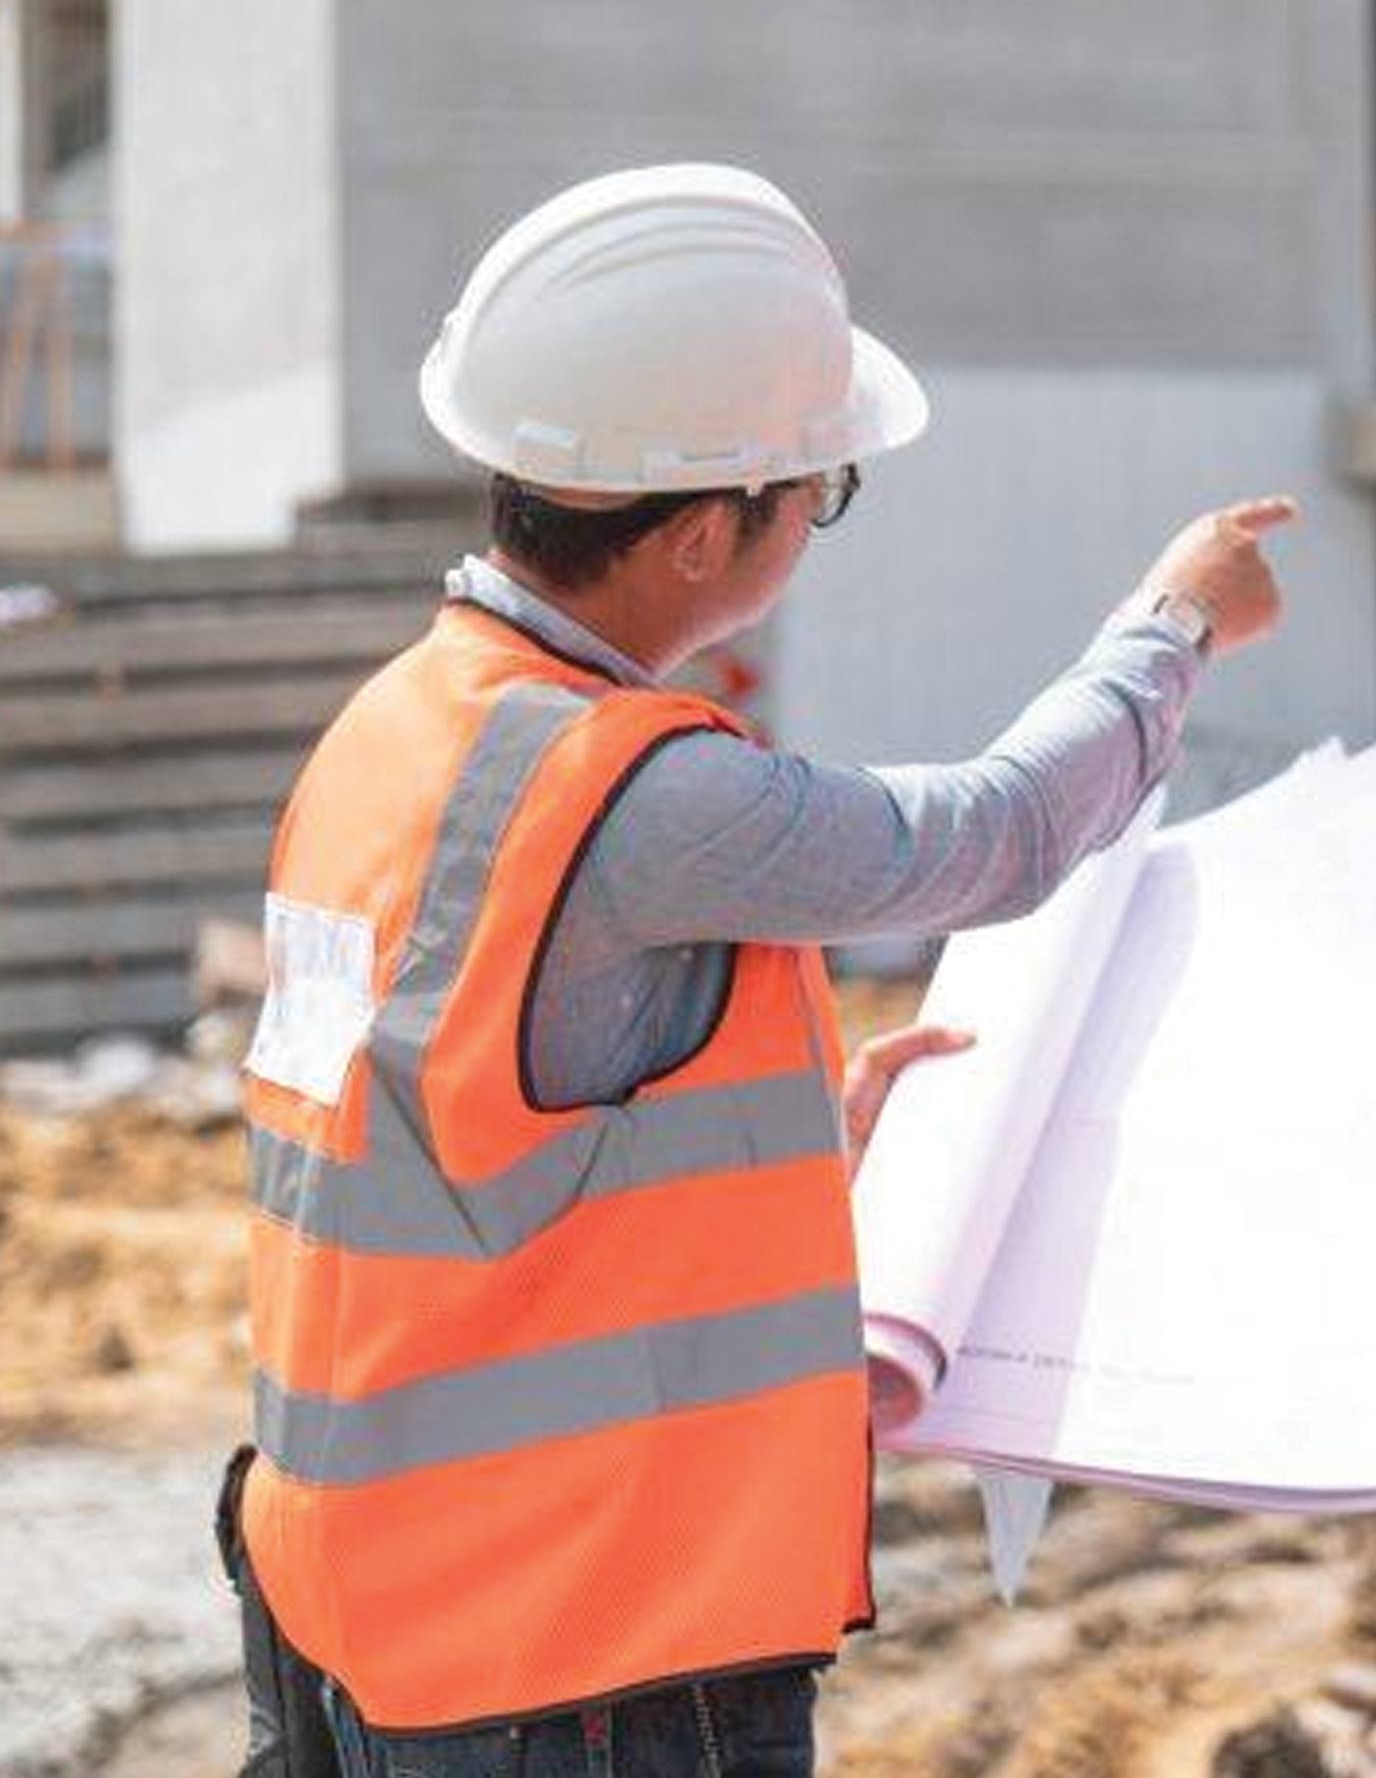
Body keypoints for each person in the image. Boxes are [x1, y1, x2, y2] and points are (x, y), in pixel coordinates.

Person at [225, 162, 1293, 1778]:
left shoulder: (393, 732)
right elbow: (986, 837)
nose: (817, 521)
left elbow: (453, 1133)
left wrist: (792, 1135)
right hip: (580, 1647)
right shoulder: (633, 785)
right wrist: (1171, 624)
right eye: (820, 490)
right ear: (707, 529)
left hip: (363, 1604)